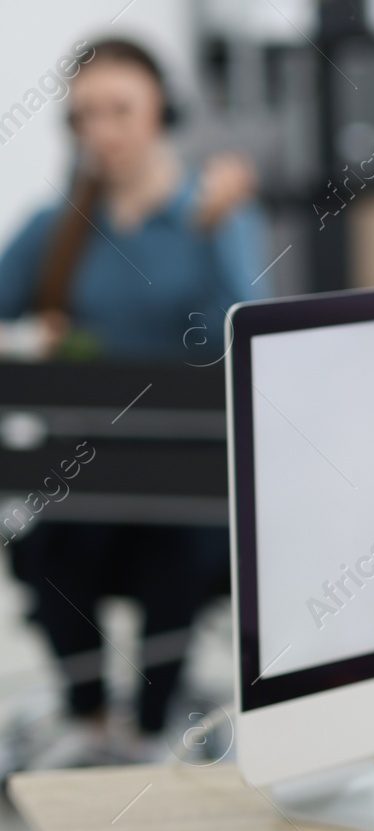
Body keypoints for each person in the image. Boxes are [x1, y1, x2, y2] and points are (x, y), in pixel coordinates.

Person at [0, 38, 267, 766]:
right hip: (88, 476)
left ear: (160, 114)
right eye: (86, 115)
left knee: (176, 555)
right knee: (51, 550)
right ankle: (91, 723)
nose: (104, 130)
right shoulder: (60, 226)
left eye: (120, 110)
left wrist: (219, 234)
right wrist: (39, 333)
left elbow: (245, 332)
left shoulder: (212, 214)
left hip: (188, 485)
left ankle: (152, 729)